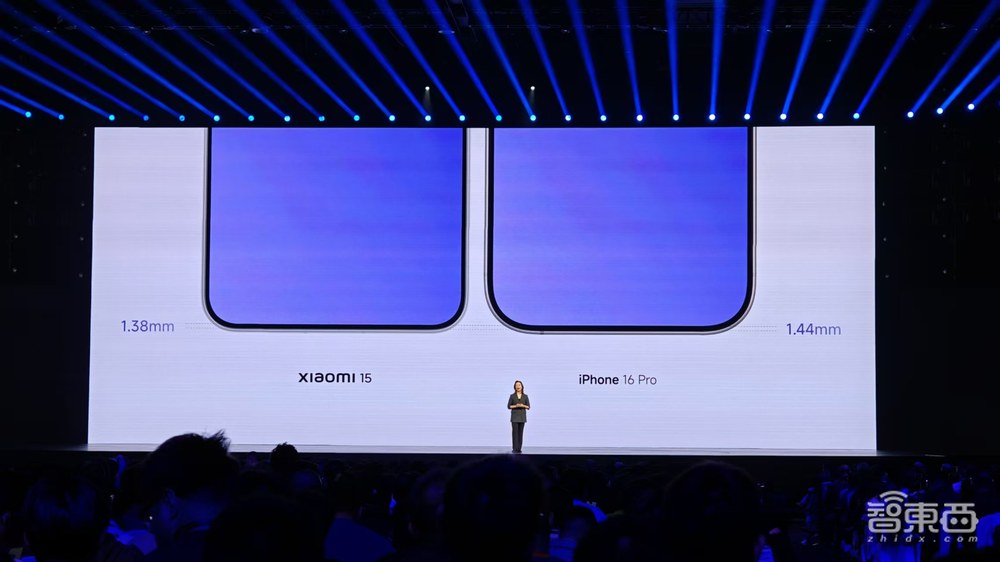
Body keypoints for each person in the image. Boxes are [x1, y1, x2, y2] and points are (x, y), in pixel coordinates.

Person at [507, 381, 530, 454]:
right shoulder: (512, 396)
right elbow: (508, 406)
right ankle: (514, 448)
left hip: (522, 417)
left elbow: (528, 406)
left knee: (520, 433)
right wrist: (516, 406)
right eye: (516, 385)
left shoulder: (525, 396)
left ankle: (519, 448)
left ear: (522, 386)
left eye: (519, 385)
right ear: (515, 387)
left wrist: (523, 406)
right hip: (514, 417)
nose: (518, 386)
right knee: (515, 433)